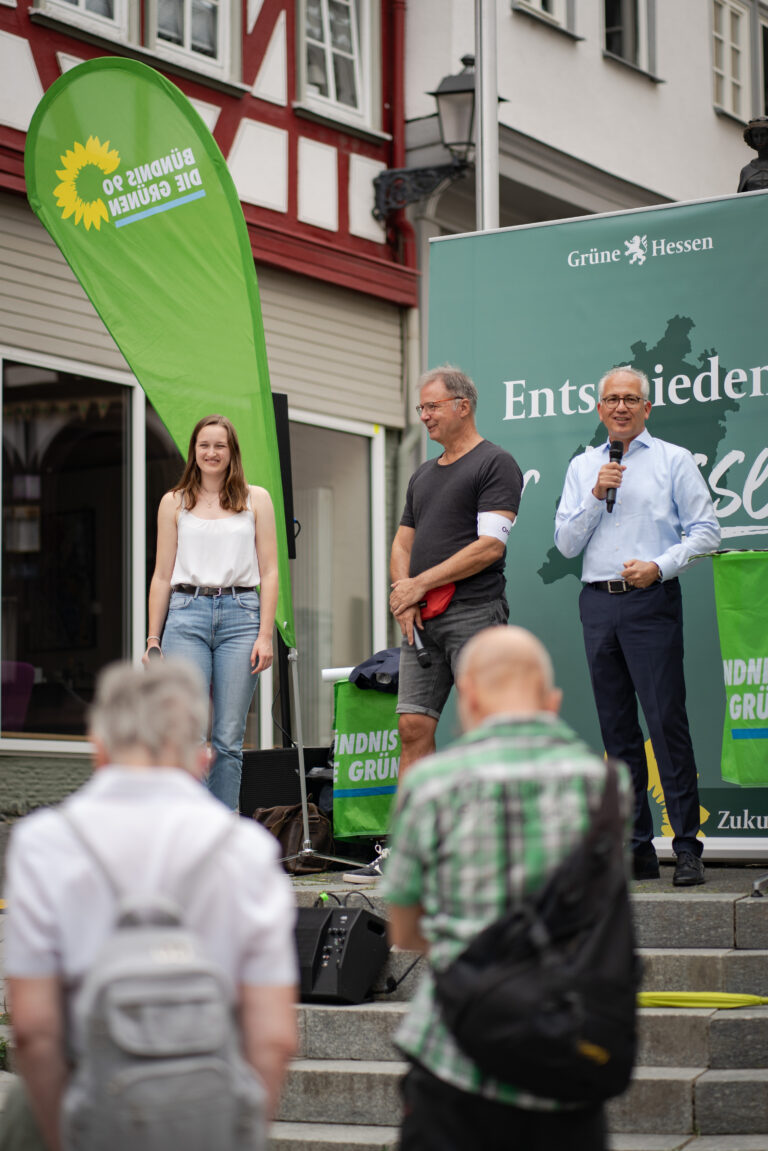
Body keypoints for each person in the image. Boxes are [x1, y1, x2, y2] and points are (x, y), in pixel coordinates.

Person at [1, 658, 298, 1151]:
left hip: (80, 1103)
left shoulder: (44, 843)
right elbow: (274, 1038)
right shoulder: (247, 849)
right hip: (204, 1112)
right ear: (203, 760)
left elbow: (33, 1029)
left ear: (98, 750)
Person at [381, 626, 630, 1151]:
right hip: (570, 1059)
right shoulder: (607, 786)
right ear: (552, 701)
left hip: (454, 1053)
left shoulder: (431, 784)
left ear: (467, 694)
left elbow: (404, 930)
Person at [343, 366, 523, 884]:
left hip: (475, 614)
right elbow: (402, 543)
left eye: (432, 407)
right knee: (412, 727)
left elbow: (490, 545)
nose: (423, 417)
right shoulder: (423, 474)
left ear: (463, 405)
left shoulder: (496, 463)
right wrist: (405, 595)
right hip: (421, 622)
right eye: (421, 409)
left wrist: (420, 586)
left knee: (485, 732)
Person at [554, 366, 721, 887]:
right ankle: (636, 848)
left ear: (647, 408)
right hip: (597, 602)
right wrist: (594, 496)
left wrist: (661, 565)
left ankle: (687, 847)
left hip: (650, 601)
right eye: (611, 399)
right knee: (618, 731)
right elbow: (564, 544)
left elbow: (707, 530)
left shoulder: (673, 461)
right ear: (599, 409)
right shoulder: (585, 467)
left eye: (631, 399)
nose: (621, 407)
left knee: (665, 723)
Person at [144, 413, 278, 810]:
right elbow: (161, 575)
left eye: (220, 445)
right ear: (194, 452)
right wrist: (153, 638)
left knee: (227, 740)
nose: (211, 452)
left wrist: (265, 634)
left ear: (232, 452)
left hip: (242, 616)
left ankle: (221, 837)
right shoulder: (174, 501)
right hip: (186, 615)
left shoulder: (257, 499)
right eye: (204, 445)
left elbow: (269, 572)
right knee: (189, 734)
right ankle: (188, 830)